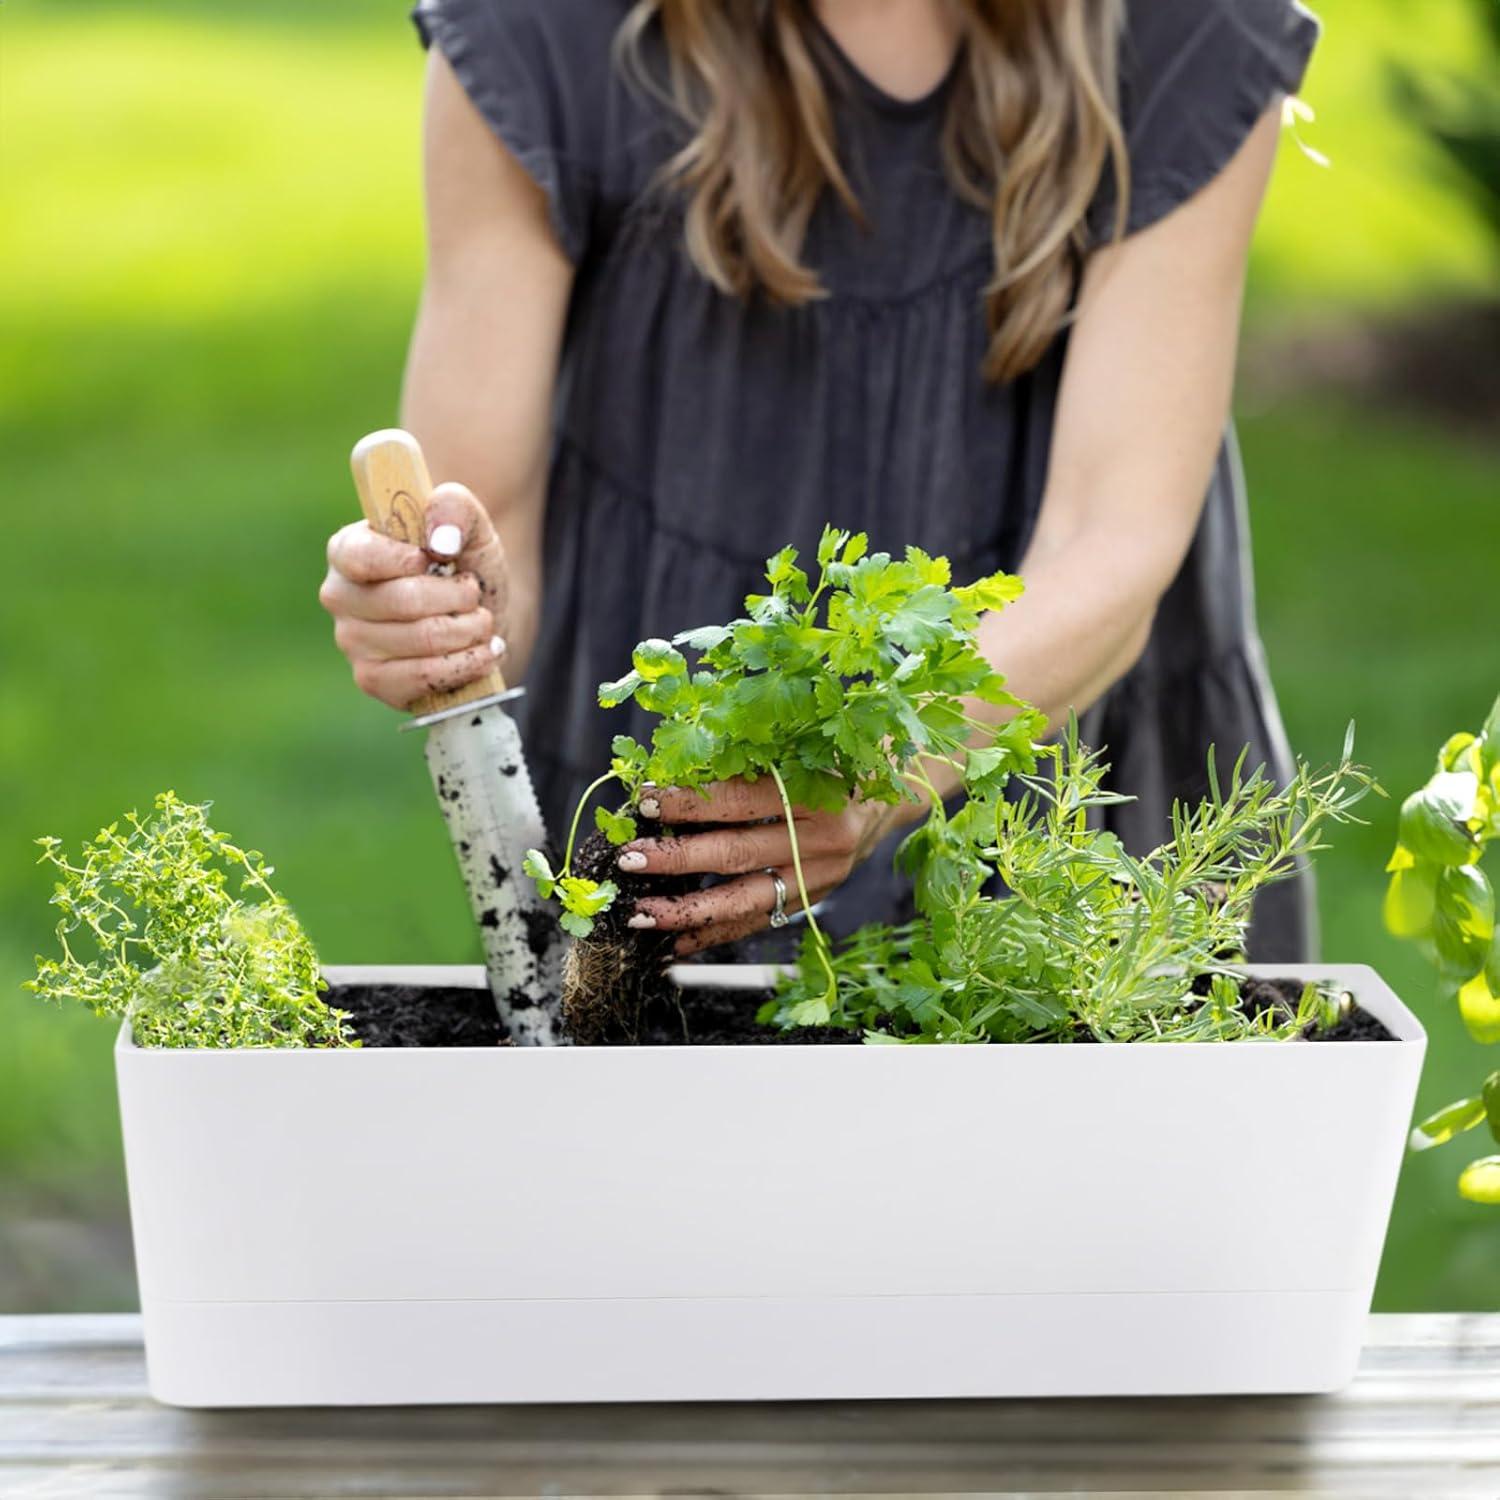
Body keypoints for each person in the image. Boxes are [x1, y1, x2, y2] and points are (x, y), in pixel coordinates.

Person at [320, 0, 1321, 960]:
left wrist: (883, 765)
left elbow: (1114, 537)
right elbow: (494, 547)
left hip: (1062, 779)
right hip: (675, 820)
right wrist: (446, 620)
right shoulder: (539, 25)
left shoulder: (1184, 25)